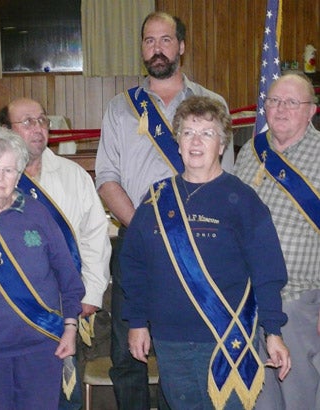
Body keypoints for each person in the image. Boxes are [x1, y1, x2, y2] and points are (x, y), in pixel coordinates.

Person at [95, 11, 234, 409]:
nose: (157, 48)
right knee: (126, 355)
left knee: (187, 345)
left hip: (200, 246)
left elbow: (227, 183)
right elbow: (106, 178)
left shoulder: (211, 103)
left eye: (166, 39)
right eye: (149, 40)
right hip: (136, 243)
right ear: (142, 48)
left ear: (182, 46)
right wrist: (146, 231)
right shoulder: (120, 108)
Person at [120, 95, 291, 410]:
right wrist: (137, 321)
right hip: (170, 341)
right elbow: (134, 267)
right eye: (187, 133)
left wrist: (273, 332)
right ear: (178, 142)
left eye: (207, 133)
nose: (195, 141)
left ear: (223, 144)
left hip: (229, 339)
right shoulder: (156, 199)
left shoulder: (242, 199)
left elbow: (267, 272)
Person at [0, 97, 112, 409]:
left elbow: (93, 238)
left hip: (53, 323)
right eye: (27, 122)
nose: (38, 128)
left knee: (66, 398)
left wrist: (89, 296)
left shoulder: (72, 176)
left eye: (42, 120)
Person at [234, 72, 320, 410]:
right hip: (248, 303)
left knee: (299, 396)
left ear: (311, 111)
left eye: (291, 102)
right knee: (259, 397)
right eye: (273, 101)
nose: (280, 109)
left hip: (297, 303)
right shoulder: (250, 154)